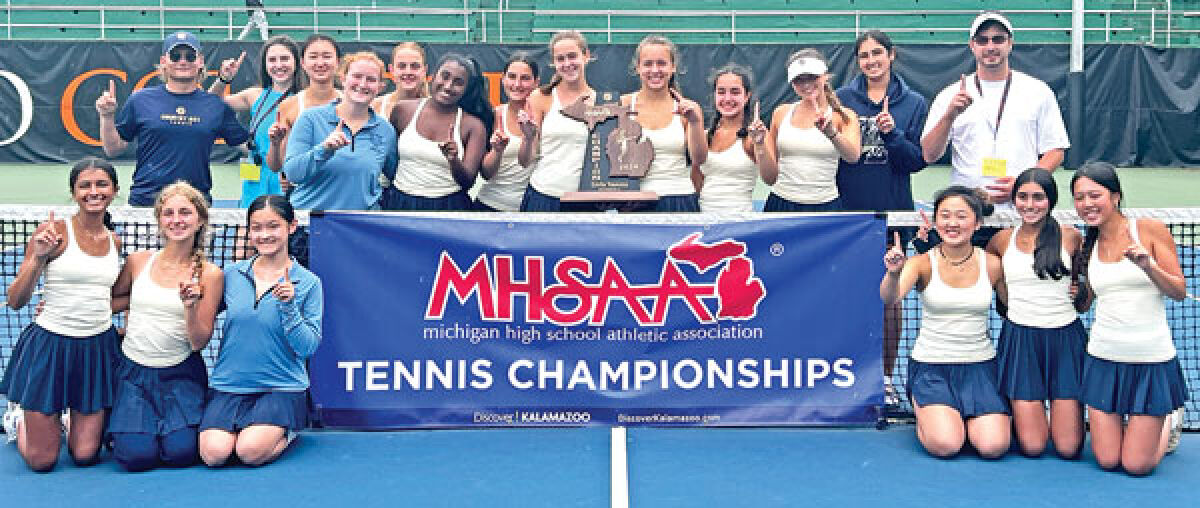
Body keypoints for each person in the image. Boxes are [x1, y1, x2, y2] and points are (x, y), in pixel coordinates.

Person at [0, 158, 122, 471]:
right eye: (85, 185)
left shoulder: (115, 242)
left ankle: (64, 420)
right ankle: (18, 421)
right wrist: (38, 259)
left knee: (84, 455)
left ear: (114, 190)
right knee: (42, 462)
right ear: (73, 192)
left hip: (96, 349)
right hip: (50, 346)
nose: (93, 192)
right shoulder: (53, 232)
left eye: (101, 184)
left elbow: (109, 297)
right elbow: (16, 300)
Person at [1071, 162, 1187, 476]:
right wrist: (1073, 293)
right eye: (1079, 197)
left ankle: (1170, 419)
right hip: (1103, 358)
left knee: (1136, 466)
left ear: (1116, 196)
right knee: (1107, 460)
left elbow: (1178, 291)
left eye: (1095, 195)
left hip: (1151, 359)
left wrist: (1148, 266)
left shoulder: (1148, 230)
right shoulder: (1088, 245)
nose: (1087, 204)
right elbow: (1085, 304)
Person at [880, 186, 1010, 459]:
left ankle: (959, 414)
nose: (953, 223)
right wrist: (893, 274)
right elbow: (890, 298)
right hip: (932, 368)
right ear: (935, 221)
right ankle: (930, 411)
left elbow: (1013, 307)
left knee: (993, 447)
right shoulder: (920, 264)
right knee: (947, 445)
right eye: (945, 215)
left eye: (961, 216)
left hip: (980, 368)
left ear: (977, 223)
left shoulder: (993, 265)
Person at [835, 30, 929, 403]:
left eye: (877, 53)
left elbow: (915, 161)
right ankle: (848, 373)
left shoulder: (914, 103)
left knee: (891, 300)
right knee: (849, 297)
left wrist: (893, 136)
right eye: (864, 55)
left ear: (891, 56)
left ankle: (887, 378)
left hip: (893, 217)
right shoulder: (842, 100)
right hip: (848, 215)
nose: (871, 60)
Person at [199, 195, 322, 467]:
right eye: (256, 228)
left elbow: (308, 347)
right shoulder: (230, 274)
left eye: (273, 226)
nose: (264, 235)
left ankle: (290, 430)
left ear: (291, 226)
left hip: (281, 387)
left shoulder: (309, 283)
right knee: (214, 454)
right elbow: (202, 322)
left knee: (249, 451)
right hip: (229, 385)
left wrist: (289, 307)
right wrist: (192, 302)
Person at [108, 181, 223, 472]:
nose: (177, 220)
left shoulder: (210, 275)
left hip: (181, 374)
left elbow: (198, 342)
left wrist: (190, 307)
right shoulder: (138, 262)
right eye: (169, 213)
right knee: (136, 457)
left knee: (181, 454)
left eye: (185, 212)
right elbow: (110, 301)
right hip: (133, 374)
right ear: (159, 220)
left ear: (200, 220)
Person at [920, 11, 1069, 211]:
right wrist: (949, 116)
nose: (990, 47)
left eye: (998, 39)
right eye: (982, 40)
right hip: (968, 210)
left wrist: (1024, 184)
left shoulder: (1038, 91)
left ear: (1010, 43)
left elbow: (1056, 150)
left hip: (1022, 209)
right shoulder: (950, 95)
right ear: (972, 46)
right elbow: (929, 154)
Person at [985, 168, 1087, 458]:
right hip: (1021, 343)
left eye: (1038, 197)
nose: (1030, 205)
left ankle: (1168, 420)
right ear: (1014, 200)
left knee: (1068, 449)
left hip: (1066, 341)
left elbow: (1084, 292)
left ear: (1051, 200)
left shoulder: (1071, 237)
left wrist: (1081, 292)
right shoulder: (1001, 241)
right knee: (1033, 447)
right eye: (1023, 197)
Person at [96, 31, 250, 206]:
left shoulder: (216, 106)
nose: (182, 61)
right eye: (175, 56)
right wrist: (107, 116)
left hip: (195, 206)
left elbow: (248, 146)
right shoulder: (140, 100)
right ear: (164, 61)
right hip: (146, 203)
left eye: (190, 56)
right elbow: (113, 149)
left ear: (200, 61)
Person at [283, 51, 397, 211]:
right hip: (311, 225)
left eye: (371, 79)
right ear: (343, 79)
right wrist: (324, 150)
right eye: (356, 76)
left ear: (380, 87)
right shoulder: (310, 119)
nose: (363, 84)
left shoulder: (386, 131)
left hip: (360, 227)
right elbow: (293, 173)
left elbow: (395, 177)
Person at [383, 53, 491, 211]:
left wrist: (453, 160)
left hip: (449, 207)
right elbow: (389, 161)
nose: (448, 86)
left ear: (466, 89)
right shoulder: (403, 110)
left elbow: (468, 182)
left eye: (458, 82)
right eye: (445, 76)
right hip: (400, 203)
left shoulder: (473, 126)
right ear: (433, 76)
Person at [761, 49, 861, 212]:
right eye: (799, 80)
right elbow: (769, 176)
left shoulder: (845, 116)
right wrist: (760, 146)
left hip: (825, 204)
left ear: (825, 76)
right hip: (781, 203)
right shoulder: (781, 113)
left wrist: (832, 134)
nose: (806, 85)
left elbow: (853, 156)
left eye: (812, 77)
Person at [209, 35, 304, 207]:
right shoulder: (254, 95)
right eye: (272, 60)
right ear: (265, 65)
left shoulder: (305, 99)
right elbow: (211, 103)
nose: (278, 65)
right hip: (254, 175)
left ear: (297, 62)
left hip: (286, 179)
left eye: (285, 59)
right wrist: (224, 79)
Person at [620, 35, 707, 212]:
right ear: (637, 67)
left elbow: (699, 159)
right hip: (634, 200)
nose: (655, 70)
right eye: (648, 64)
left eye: (661, 63)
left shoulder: (688, 109)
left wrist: (695, 121)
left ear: (673, 67)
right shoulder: (621, 105)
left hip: (679, 199)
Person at [518, 31, 594, 212]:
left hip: (584, 201)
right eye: (560, 59)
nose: (567, 64)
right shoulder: (540, 98)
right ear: (553, 63)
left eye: (572, 56)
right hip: (543, 196)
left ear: (586, 56)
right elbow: (524, 161)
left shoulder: (602, 101)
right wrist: (528, 138)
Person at [265, 34, 342, 175]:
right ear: (303, 63)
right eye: (313, 57)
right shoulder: (289, 106)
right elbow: (276, 166)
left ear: (337, 62)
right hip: (304, 190)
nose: (320, 63)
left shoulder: (351, 103)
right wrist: (275, 144)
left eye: (326, 56)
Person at [696, 64, 763, 213]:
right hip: (704, 221)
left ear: (747, 96)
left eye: (735, 92)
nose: (727, 98)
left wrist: (760, 145)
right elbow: (697, 182)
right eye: (721, 92)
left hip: (740, 224)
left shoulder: (756, 137)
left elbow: (770, 178)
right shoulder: (705, 136)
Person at [476, 53, 539, 212]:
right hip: (490, 206)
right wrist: (497, 151)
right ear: (503, 79)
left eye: (525, 78)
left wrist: (529, 138)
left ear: (536, 82)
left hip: (532, 210)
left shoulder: (545, 117)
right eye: (511, 77)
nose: (517, 84)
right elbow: (486, 174)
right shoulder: (494, 116)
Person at [372, 41, 429, 120]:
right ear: (391, 70)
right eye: (401, 66)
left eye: (415, 66)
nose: (408, 72)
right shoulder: (375, 107)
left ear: (424, 70)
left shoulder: (436, 109)